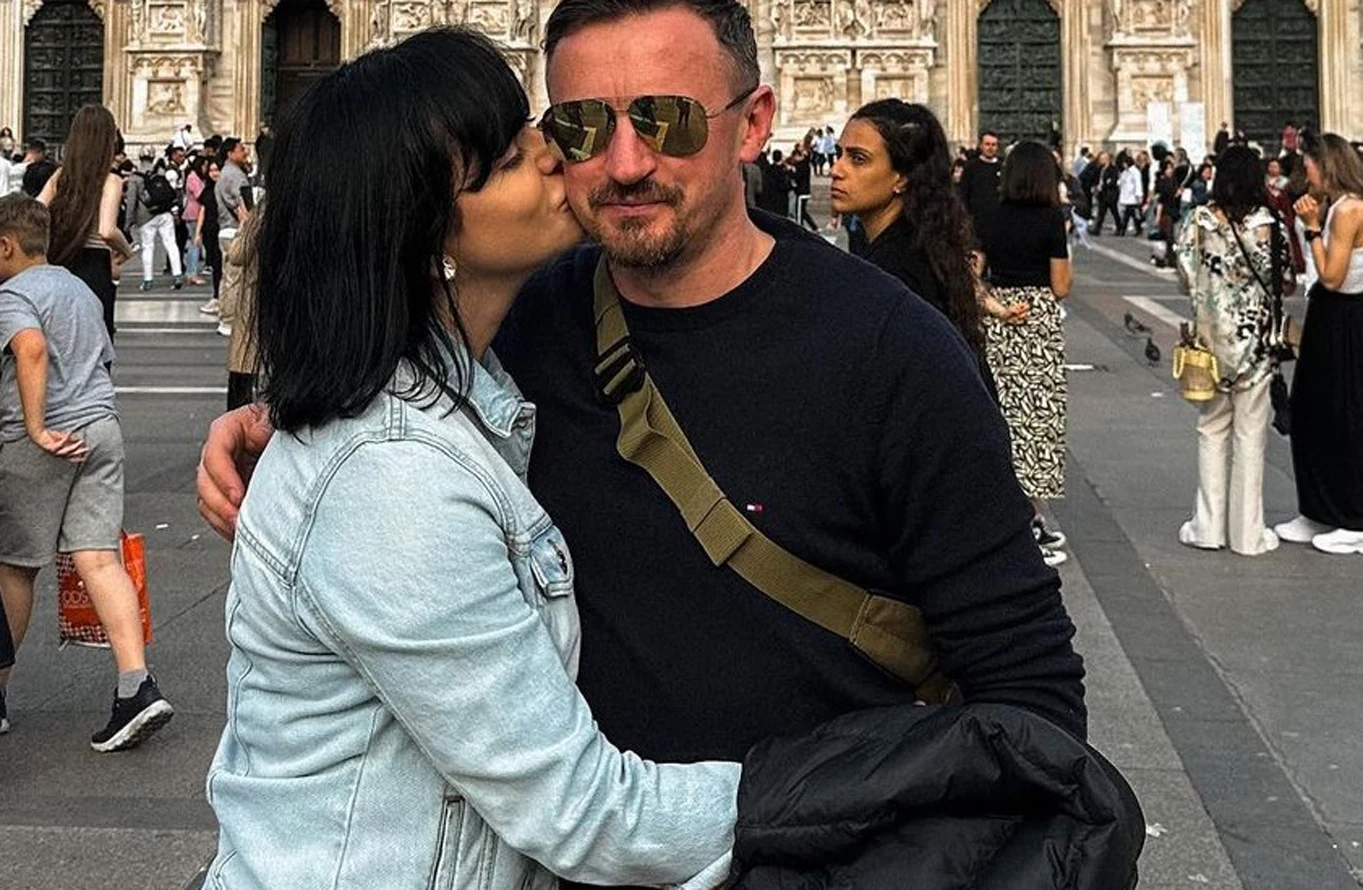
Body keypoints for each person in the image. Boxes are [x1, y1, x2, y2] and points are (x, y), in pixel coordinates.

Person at [198, 4, 1087, 874]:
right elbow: (387, 428)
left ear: (754, 123)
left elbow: (1028, 700)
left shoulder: (891, 353)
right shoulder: (521, 328)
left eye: (668, 120)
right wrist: (294, 422)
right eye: (582, 126)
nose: (624, 164)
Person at [0, 194, 174, 750]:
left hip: (46, 440)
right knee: (99, 558)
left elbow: (31, 349)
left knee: (15, 566)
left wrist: (35, 428)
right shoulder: (78, 288)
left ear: (5, 246)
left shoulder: (12, 296)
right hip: (101, 426)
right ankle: (135, 685)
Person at [1174, 145, 1295, 556]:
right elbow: (1286, 281)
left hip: (1209, 343)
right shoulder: (1269, 224)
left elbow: (1185, 278)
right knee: (1249, 437)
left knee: (1210, 431)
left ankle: (1207, 528)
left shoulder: (1199, 221)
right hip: (1255, 345)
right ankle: (1247, 534)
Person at [828, 100, 994, 397]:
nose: (836, 170)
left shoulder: (894, 271)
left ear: (901, 178)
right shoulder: (924, 248)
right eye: (839, 154)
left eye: (858, 159)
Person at [977, 141, 1074, 567]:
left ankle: (1021, 517)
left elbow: (971, 273)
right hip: (1036, 323)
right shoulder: (1052, 219)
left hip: (999, 318)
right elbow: (1062, 286)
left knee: (1001, 416)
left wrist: (995, 304)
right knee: (1037, 423)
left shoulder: (990, 216)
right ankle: (1026, 523)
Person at [1276, 133, 1363, 555]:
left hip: (1346, 316)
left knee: (1343, 414)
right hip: (1328, 314)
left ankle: (1353, 517)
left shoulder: (1348, 210)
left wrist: (1312, 229)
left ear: (1327, 165)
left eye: (1308, 164)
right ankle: (1317, 509)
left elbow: (1331, 276)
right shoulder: (1335, 206)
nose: (1303, 172)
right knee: (1311, 410)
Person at [35, 107, 134, 338]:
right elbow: (107, 230)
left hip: (61, 260)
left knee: (62, 339)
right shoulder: (111, 180)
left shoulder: (60, 176)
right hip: (94, 266)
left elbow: (35, 212)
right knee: (96, 340)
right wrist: (126, 251)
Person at [122, 153, 185, 291]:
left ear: (140, 158)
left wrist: (128, 222)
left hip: (145, 217)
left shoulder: (135, 178)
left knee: (148, 247)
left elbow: (131, 202)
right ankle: (178, 275)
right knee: (171, 243)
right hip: (165, 213)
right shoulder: (160, 172)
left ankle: (148, 280)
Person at [205, 137, 250, 315]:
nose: (245, 152)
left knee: (228, 277)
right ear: (230, 154)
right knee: (235, 279)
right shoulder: (234, 175)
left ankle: (225, 314)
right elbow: (242, 203)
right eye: (241, 149)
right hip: (235, 231)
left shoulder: (226, 173)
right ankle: (230, 317)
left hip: (225, 229)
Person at [958, 130, 1002, 234]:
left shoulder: (1003, 167)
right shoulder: (971, 167)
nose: (990, 148)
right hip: (976, 220)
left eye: (993, 145)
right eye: (987, 144)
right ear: (981, 145)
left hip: (997, 220)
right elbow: (963, 193)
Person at [181, 154, 208, 285]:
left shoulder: (195, 177)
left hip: (195, 212)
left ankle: (191, 272)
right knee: (195, 243)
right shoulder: (193, 177)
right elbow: (199, 195)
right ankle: (192, 273)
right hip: (194, 213)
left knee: (195, 243)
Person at [1116, 153, 1144, 236]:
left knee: (1130, 215)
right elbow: (1121, 181)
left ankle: (1124, 230)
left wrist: (1138, 195)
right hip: (1126, 196)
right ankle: (1136, 229)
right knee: (1129, 215)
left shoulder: (1135, 172)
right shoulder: (1125, 172)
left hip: (1133, 197)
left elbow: (1138, 184)